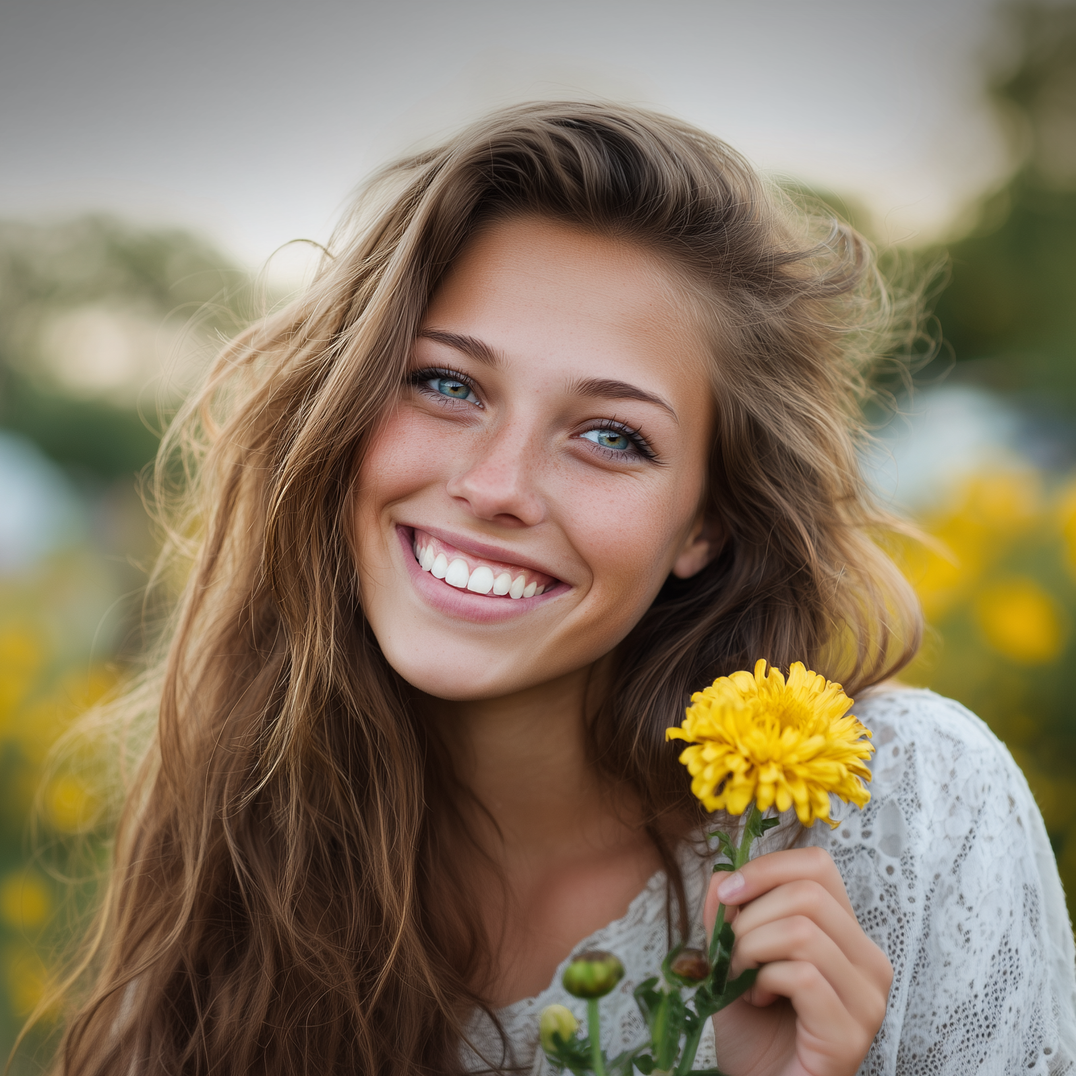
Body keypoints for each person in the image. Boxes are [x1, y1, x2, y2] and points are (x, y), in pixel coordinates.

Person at [49, 102, 1076, 1076]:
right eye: (446, 382)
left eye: (609, 435)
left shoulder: (912, 812)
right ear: (348, 406)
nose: (494, 487)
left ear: (705, 520)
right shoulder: (239, 835)